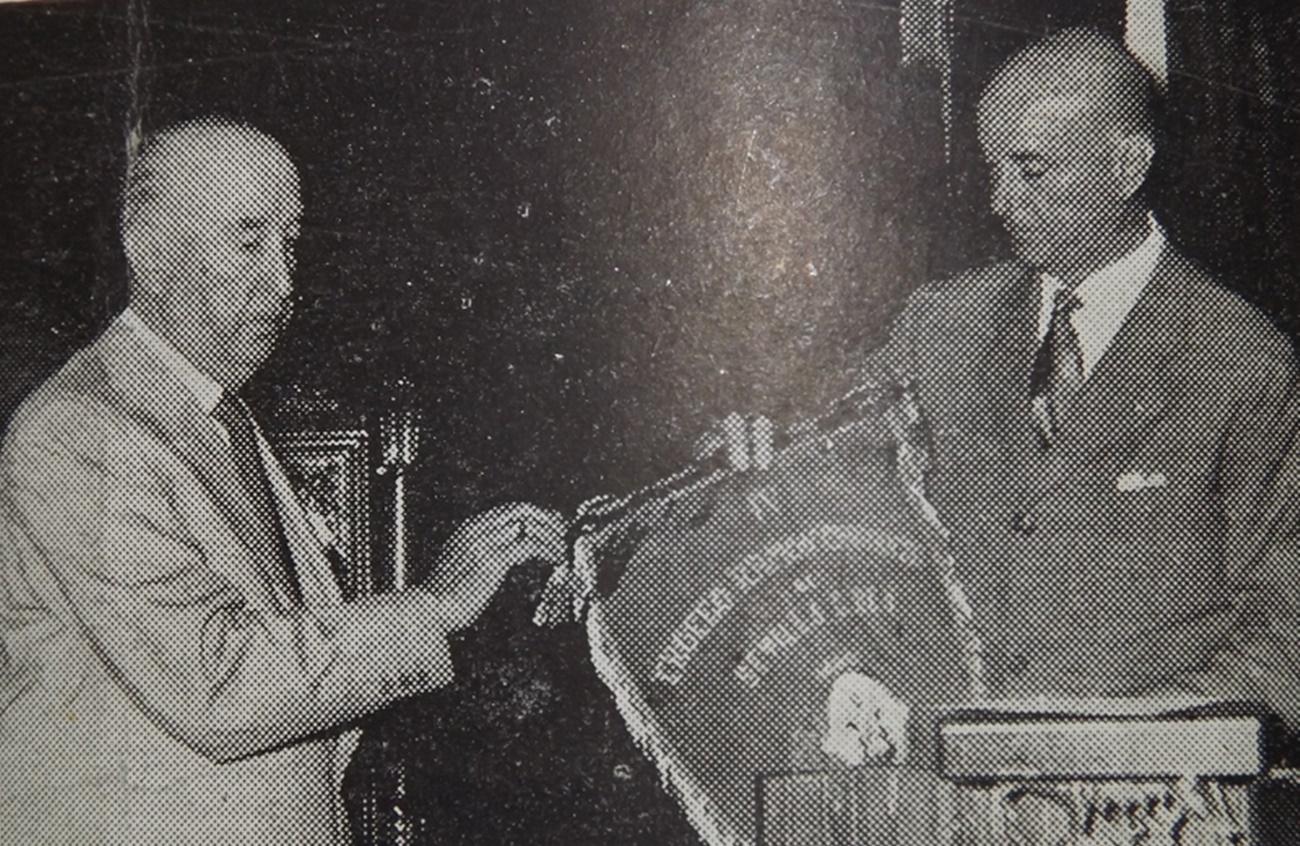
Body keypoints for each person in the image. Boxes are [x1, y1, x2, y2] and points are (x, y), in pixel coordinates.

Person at [709, 28, 1300, 736]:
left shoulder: (1243, 362)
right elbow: (826, 470)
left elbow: (1283, 646)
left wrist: (1086, 745)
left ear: (1127, 164)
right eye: (994, 170)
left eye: (1032, 171)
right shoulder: (941, 327)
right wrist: (748, 446)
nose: (999, 200)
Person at [0, 117, 566, 845]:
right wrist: (435, 606)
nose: (284, 283)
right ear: (147, 249)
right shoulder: (79, 431)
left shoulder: (221, 418)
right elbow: (218, 683)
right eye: (248, 242)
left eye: (290, 244)